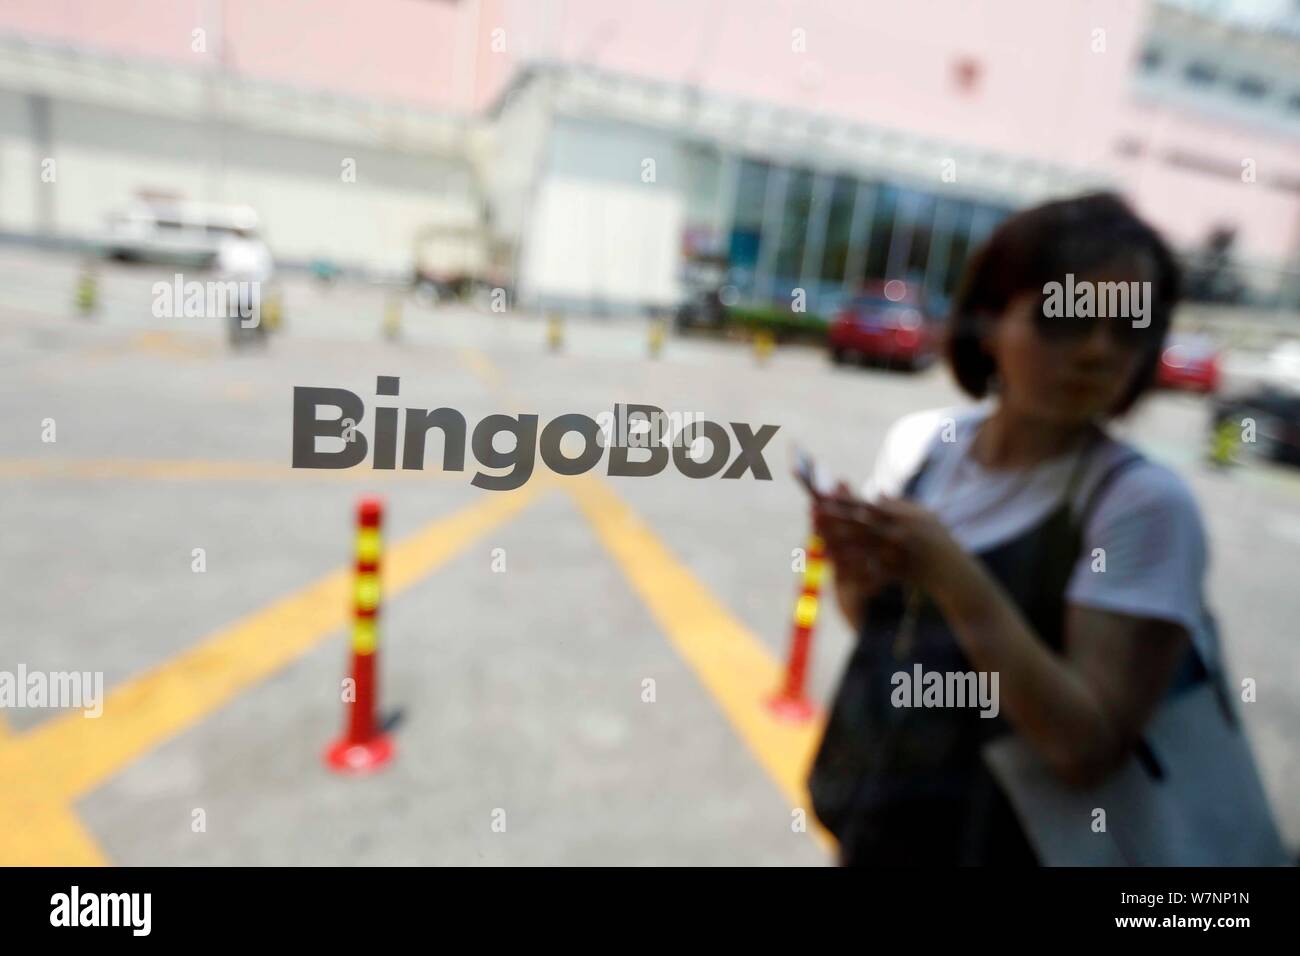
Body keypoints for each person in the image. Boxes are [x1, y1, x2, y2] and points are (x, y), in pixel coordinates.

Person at [809, 192, 1215, 865]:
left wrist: (951, 574)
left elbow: (1084, 746)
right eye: (1064, 320)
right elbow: (879, 636)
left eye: (1128, 329)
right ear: (990, 321)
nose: (1096, 351)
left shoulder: (1139, 506)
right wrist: (858, 569)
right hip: (873, 825)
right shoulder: (926, 446)